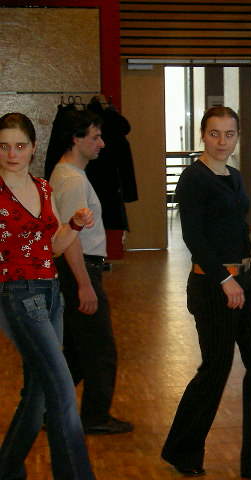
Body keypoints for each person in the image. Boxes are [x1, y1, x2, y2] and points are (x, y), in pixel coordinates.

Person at [161, 106, 251, 480]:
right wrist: (224, 279)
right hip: (212, 284)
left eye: (229, 134)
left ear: (237, 136)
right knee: (216, 369)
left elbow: (235, 229)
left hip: (245, 280)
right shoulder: (193, 179)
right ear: (202, 135)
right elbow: (194, 237)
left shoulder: (234, 176)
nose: (222, 141)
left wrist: (242, 276)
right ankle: (182, 449)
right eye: (214, 133)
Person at [0, 112, 96, 479]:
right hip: (16, 294)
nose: (12, 154)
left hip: (51, 291)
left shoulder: (42, 187)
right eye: (4, 146)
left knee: (40, 394)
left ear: (33, 147)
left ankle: (7, 469)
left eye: (20, 146)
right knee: (62, 391)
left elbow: (54, 245)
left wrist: (75, 224)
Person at [48, 109, 133, 435]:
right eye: (95, 137)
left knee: (78, 354)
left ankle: (45, 409)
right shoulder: (71, 180)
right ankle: (95, 417)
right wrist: (85, 285)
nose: (102, 143)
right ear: (76, 139)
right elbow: (70, 239)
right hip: (79, 270)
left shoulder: (68, 174)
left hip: (75, 271)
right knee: (100, 352)